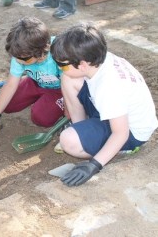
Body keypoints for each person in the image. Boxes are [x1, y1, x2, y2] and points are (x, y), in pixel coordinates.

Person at [50, 23, 158, 187]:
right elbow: (74, 77)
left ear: (83, 64)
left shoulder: (109, 87)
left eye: (62, 64)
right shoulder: (98, 59)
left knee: (68, 141)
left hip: (131, 133)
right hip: (118, 114)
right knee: (68, 78)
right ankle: (83, 130)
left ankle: (119, 150)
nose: (59, 67)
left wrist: (93, 165)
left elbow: (120, 133)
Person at [0, 17, 64, 137]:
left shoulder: (60, 53)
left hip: (60, 89)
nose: (18, 62)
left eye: (24, 59)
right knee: (7, 106)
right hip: (34, 82)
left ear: (44, 49)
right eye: (15, 57)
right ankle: (37, 96)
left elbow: (71, 87)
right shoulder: (21, 54)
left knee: (41, 118)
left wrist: (69, 116)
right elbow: (10, 84)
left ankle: (53, 105)